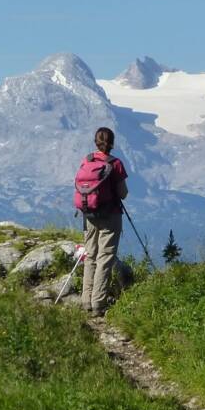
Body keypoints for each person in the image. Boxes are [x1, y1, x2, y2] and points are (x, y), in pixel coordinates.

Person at [80, 127, 128, 316]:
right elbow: (123, 194)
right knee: (105, 256)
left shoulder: (87, 160)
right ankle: (99, 303)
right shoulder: (115, 163)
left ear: (96, 141)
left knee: (90, 255)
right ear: (112, 143)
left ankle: (86, 300)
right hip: (110, 215)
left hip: (89, 214)